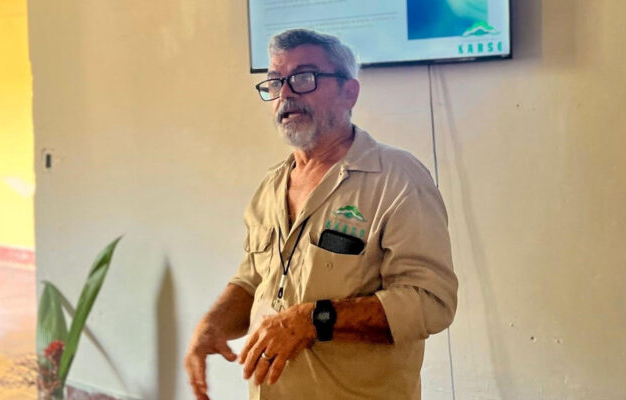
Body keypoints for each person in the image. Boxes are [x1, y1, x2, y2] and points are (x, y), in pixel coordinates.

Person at [184, 28, 458, 400]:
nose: (286, 94)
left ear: (349, 92)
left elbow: (431, 301)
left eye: (304, 78)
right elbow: (252, 280)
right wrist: (211, 326)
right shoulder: (271, 187)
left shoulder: (398, 180)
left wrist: (313, 320)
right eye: (275, 82)